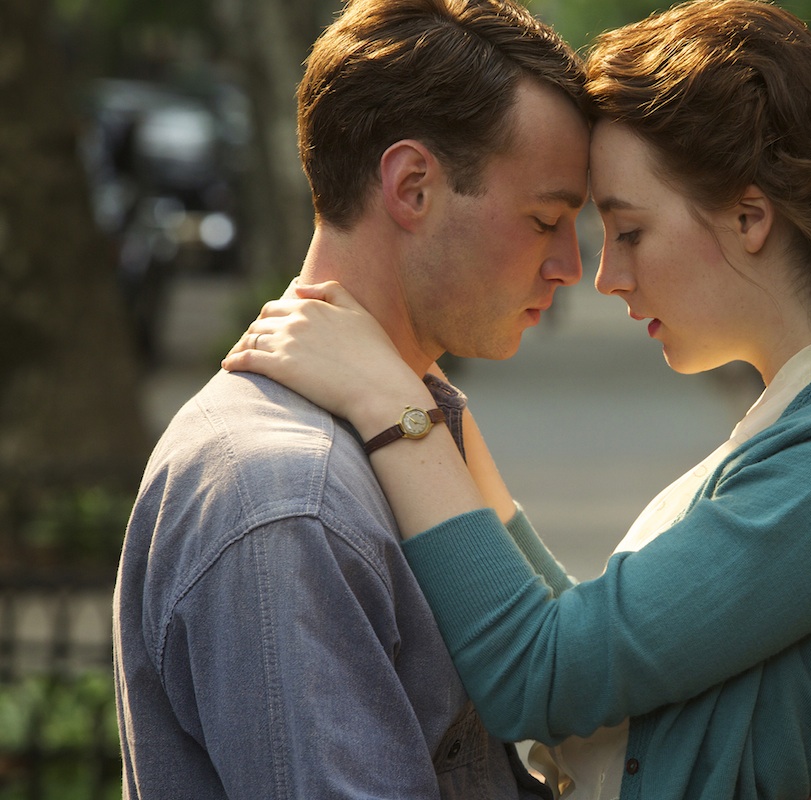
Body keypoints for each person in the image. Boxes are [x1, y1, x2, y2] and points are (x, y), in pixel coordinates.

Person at [224, 0, 811, 797]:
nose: (605, 275)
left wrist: (389, 406)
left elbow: (541, 675)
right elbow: (591, 641)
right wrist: (433, 403)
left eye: (632, 232)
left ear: (751, 215)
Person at [113, 0, 592, 796]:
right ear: (411, 186)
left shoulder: (404, 427)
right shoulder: (290, 499)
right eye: (545, 220)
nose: (571, 266)